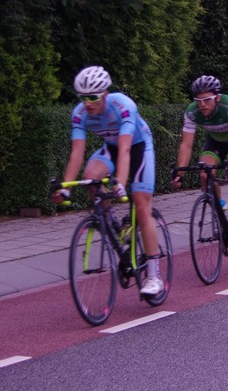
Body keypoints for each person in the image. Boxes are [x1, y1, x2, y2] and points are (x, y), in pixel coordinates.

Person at [52, 66, 164, 298]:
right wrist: (65, 188)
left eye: (93, 97)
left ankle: (154, 276)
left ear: (105, 94)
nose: (87, 103)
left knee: (142, 205)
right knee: (91, 177)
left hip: (138, 147)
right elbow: (77, 153)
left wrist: (120, 183)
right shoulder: (79, 114)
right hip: (111, 148)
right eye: (83, 97)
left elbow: (125, 149)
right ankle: (112, 222)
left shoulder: (123, 106)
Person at [172, 75, 228, 250]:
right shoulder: (192, 112)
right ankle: (221, 210)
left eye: (207, 100)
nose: (202, 105)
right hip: (215, 141)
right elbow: (186, 145)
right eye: (198, 101)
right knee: (204, 174)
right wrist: (180, 173)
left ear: (217, 97)